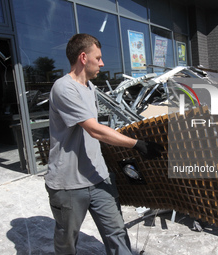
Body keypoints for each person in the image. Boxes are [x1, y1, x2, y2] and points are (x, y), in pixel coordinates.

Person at [45, 33, 163, 255]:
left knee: (116, 233)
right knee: (67, 241)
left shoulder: (91, 89)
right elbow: (94, 129)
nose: (102, 63)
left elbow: (92, 134)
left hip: (98, 178)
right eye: (97, 58)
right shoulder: (63, 88)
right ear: (83, 57)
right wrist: (138, 144)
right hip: (68, 184)